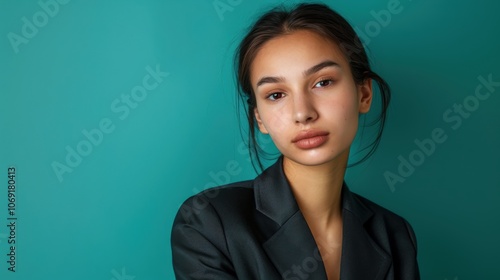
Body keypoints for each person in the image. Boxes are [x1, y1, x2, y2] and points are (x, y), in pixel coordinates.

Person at [171, 3, 420, 279]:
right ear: (259, 119)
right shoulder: (208, 221)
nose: (303, 113)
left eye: (323, 82)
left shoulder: (394, 236)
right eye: (276, 95)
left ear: (364, 94)